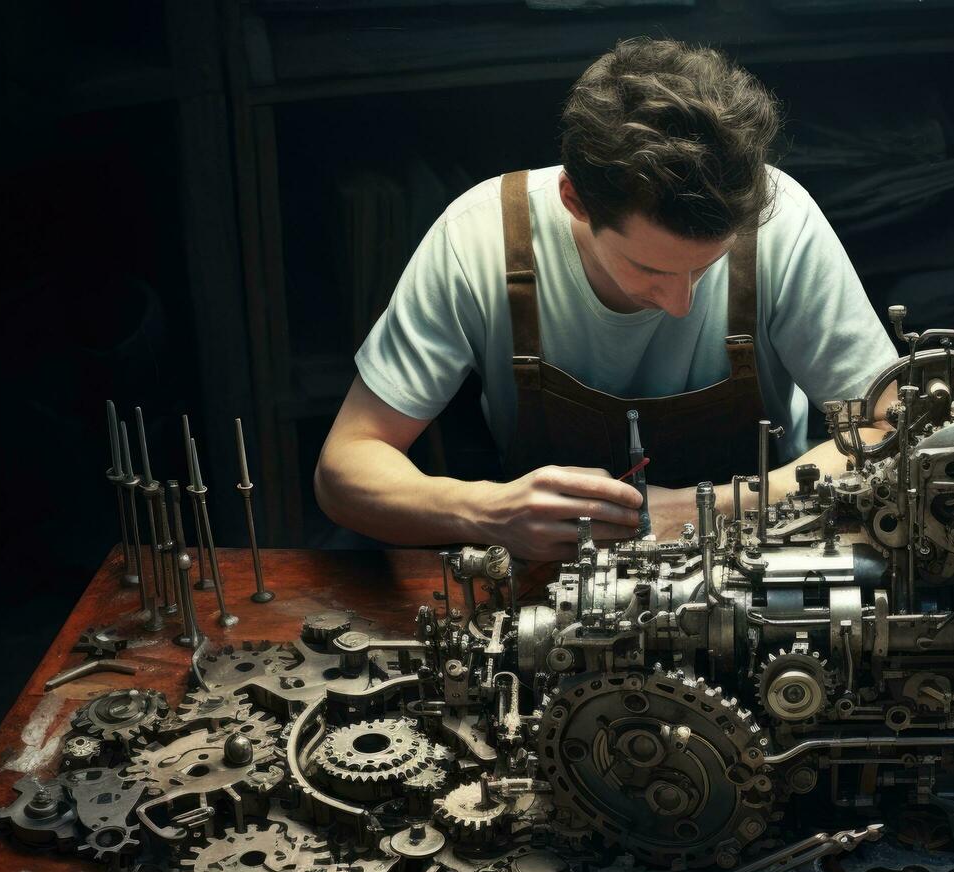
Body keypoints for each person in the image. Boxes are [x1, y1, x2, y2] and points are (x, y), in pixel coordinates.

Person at [315, 38, 898, 560]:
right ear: (575, 198)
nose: (679, 304)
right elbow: (345, 468)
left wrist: (715, 508)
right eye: (648, 268)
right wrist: (490, 512)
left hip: (759, 562)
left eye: (707, 266)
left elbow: (892, 432)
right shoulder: (480, 239)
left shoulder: (780, 221)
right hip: (553, 580)